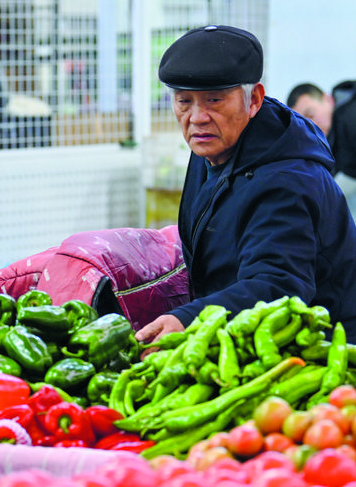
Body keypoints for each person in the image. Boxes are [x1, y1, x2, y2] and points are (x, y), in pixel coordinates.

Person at [134, 25, 356, 344]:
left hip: (324, 348)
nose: (197, 117)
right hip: (245, 336)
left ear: (253, 100)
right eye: (184, 101)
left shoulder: (288, 179)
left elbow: (280, 285)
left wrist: (187, 318)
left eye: (214, 100)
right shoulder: (212, 147)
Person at [287, 81, 356, 217]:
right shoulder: (328, 141)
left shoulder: (350, 116)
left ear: (328, 99)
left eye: (311, 115)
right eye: (302, 123)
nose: (310, 125)